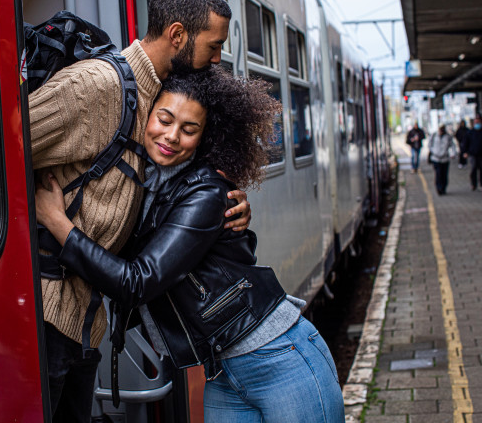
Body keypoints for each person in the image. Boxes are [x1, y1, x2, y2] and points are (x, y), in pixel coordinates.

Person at [36, 69, 345, 422]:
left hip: (278, 356)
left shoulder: (206, 191)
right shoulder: (142, 184)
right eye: (164, 120)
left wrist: (57, 222)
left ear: (203, 138)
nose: (171, 136)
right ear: (145, 116)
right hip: (221, 370)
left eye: (189, 129)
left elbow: (137, 282)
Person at [28, 0, 252, 422]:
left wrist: (226, 208)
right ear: (177, 36)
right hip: (49, 320)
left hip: (85, 325)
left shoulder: (156, 99)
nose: (217, 58)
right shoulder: (97, 87)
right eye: (213, 46)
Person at [462, 115, 482, 191]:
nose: (477, 124)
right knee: (473, 170)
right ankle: (474, 184)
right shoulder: (470, 133)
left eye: (478, 122)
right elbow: (465, 143)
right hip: (473, 154)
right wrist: (465, 152)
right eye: (476, 122)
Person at [428, 124, 456, 195]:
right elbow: (429, 145)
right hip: (436, 159)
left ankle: (443, 188)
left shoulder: (448, 137)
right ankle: (438, 188)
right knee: (438, 174)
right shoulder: (434, 135)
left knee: (444, 175)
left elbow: (453, 145)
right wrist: (434, 151)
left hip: (445, 159)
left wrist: (453, 154)